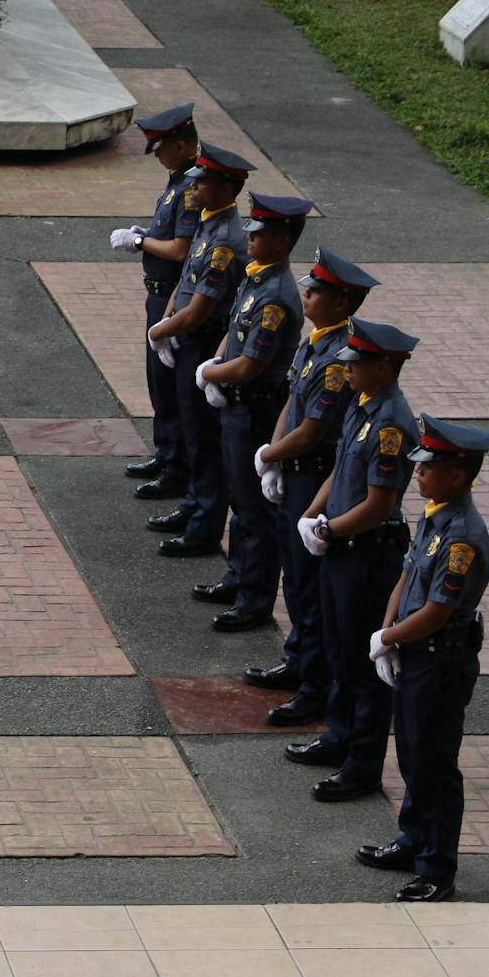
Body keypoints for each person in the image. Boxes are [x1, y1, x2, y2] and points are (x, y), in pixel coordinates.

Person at [356, 415, 489, 903]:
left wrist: (390, 635)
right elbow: (407, 576)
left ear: (457, 475)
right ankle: (413, 839)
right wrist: (389, 633)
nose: (417, 474)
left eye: (427, 468)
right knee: (413, 754)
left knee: (434, 764)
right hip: (417, 656)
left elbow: (437, 611)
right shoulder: (435, 516)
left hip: (440, 663)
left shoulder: (461, 538)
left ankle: (437, 867)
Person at [284, 319, 421, 802]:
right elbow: (341, 470)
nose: (350, 371)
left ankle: (362, 765)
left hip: (366, 553)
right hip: (342, 547)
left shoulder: (390, 423)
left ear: (384, 365)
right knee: (339, 653)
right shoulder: (362, 408)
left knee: (363, 670)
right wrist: (311, 514)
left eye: (358, 364)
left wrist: (329, 528)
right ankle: (339, 736)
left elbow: (379, 504)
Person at [249, 249, 379, 725]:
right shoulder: (316, 342)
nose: (306, 294)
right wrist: (275, 450)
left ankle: (314, 686)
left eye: (318, 291)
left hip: (313, 472)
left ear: (342, 300)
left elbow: (316, 427)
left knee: (308, 586)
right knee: (294, 576)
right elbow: (292, 405)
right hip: (296, 468)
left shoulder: (338, 359)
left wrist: (272, 454)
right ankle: (299, 660)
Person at [193, 192, 309, 632]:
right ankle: (238, 577)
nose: (251, 240)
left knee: (256, 511)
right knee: (241, 500)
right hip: (237, 405)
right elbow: (233, 333)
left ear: (281, 240)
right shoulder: (257, 277)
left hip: (255, 407)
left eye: (260, 235)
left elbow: (254, 363)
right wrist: (217, 365)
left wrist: (215, 374)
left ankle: (254, 600)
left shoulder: (277, 295)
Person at [147, 144, 254, 569]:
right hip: (187, 337)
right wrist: (170, 313)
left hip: (203, 341)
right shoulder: (209, 226)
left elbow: (203, 307)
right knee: (192, 430)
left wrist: (162, 329)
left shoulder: (227, 239)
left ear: (226, 187)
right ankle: (195, 504)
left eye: (203, 183)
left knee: (205, 441)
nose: (193, 189)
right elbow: (186, 284)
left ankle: (206, 524)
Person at [110, 103, 201, 505]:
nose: (158, 156)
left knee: (174, 386)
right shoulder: (177, 180)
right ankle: (165, 454)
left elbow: (182, 249)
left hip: (172, 298)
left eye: (162, 148)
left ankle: (177, 468)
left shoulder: (193, 189)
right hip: (157, 294)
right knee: (159, 384)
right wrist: (146, 233)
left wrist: (142, 242)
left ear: (181, 145)